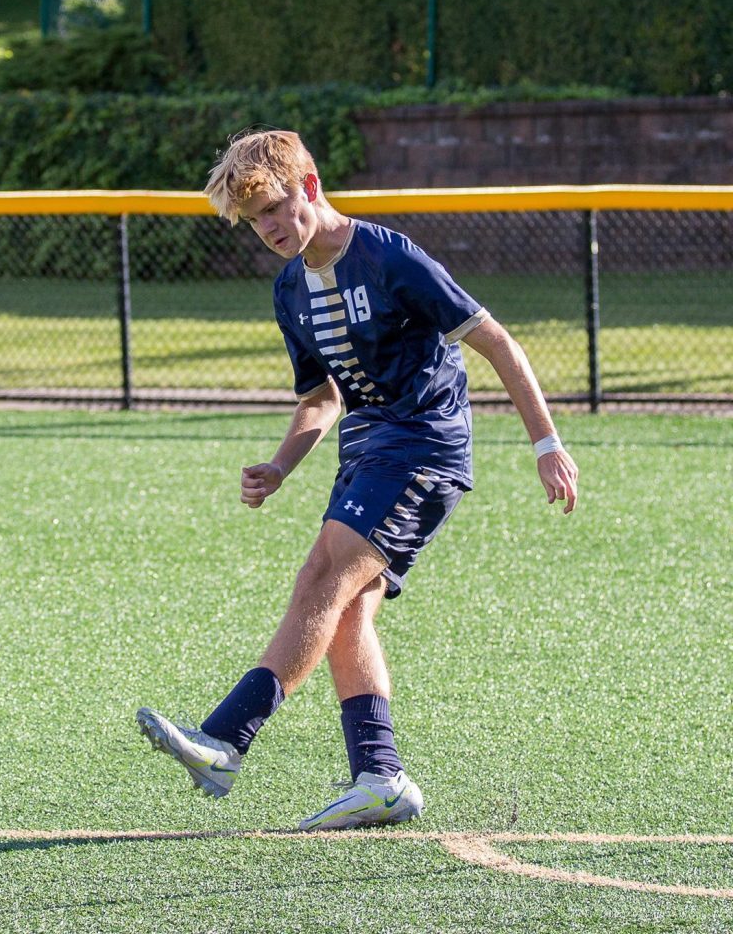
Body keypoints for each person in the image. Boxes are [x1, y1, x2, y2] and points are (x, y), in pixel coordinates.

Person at [136, 129, 579, 831]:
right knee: (345, 610)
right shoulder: (289, 290)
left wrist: (547, 445)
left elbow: (495, 339)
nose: (274, 229)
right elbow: (320, 397)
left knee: (323, 574)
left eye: (279, 208)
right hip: (366, 450)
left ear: (309, 185)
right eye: (258, 222)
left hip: (425, 447)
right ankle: (381, 777)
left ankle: (225, 740)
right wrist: (280, 467)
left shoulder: (389, 256)